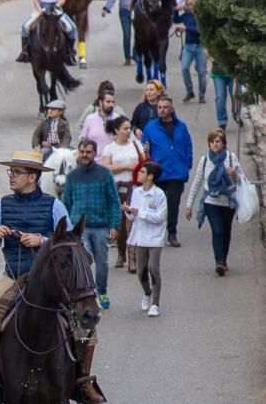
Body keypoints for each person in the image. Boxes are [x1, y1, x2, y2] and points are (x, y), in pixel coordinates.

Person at [0, 150, 104, 404]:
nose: (11, 176)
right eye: (10, 171)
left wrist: (41, 240)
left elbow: (71, 241)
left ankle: (84, 380)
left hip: (49, 281)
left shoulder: (54, 205)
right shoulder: (2, 204)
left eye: (16, 172)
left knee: (86, 322)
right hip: (13, 275)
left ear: (32, 177)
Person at [62, 138, 122, 309]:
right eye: (82, 152)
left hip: (101, 226)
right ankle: (85, 295)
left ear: (94, 153)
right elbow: (65, 202)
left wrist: (114, 225)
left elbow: (113, 201)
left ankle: (102, 291)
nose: (84, 155)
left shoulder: (105, 174)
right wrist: (64, 227)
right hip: (78, 228)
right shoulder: (72, 176)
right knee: (83, 261)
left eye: (88, 152)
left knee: (102, 263)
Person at [184, 128, 244, 275]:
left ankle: (224, 257)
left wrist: (234, 174)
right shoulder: (205, 160)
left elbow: (242, 179)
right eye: (212, 142)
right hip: (211, 201)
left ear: (223, 143)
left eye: (217, 141)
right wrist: (189, 205)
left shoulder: (231, 158)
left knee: (226, 231)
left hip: (228, 201)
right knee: (217, 231)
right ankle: (220, 262)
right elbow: (197, 182)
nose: (214, 144)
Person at [141, 95, 193, 247]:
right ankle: (155, 232)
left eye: (165, 107)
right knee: (155, 203)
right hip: (158, 171)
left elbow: (188, 145)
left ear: (172, 109)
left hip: (176, 172)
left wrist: (187, 163)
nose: (162, 110)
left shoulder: (181, 126)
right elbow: (143, 146)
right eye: (159, 107)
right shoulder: (150, 127)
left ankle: (172, 232)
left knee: (173, 202)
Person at [123, 161, 167, 316]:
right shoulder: (136, 192)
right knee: (141, 271)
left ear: (150, 176)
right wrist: (128, 211)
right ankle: (147, 292)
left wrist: (139, 212)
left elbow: (160, 217)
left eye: (142, 172)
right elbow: (132, 215)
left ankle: (155, 303)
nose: (138, 174)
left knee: (153, 268)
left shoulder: (159, 194)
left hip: (155, 237)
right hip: (140, 236)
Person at [102, 116, 144, 271]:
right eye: (125, 129)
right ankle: (121, 253)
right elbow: (106, 166)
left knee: (132, 224)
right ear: (116, 130)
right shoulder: (110, 148)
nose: (128, 131)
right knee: (119, 225)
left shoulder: (136, 144)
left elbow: (143, 163)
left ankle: (132, 258)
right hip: (117, 189)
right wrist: (128, 166)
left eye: (129, 128)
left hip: (135, 188)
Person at [17, 0, 77, 65]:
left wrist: (58, 4)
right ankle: (25, 52)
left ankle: (69, 53)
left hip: (55, 8)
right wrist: (39, 9)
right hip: (43, 8)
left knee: (72, 28)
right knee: (25, 26)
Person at [101, 0, 143, 65]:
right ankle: (127, 57)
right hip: (124, 12)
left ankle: (135, 53)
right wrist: (106, 8)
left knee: (139, 34)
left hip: (137, 13)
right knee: (127, 35)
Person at [174, 0, 206, 104]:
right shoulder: (186, 15)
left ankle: (202, 95)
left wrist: (186, 28)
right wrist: (176, 10)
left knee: (201, 72)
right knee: (184, 68)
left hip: (200, 46)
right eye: (188, 4)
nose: (190, 7)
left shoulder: (201, 15)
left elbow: (199, 30)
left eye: (192, 4)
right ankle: (189, 91)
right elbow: (176, 20)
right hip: (188, 46)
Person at [80, 89, 119, 164]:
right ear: (100, 103)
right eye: (108, 102)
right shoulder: (90, 119)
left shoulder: (117, 119)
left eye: (113, 102)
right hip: (93, 164)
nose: (111, 105)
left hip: (112, 164)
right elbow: (83, 141)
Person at [208, 55, 242, 130]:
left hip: (234, 72)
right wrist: (213, 60)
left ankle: (237, 114)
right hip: (218, 73)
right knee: (220, 97)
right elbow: (206, 50)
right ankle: (222, 121)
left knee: (237, 95)